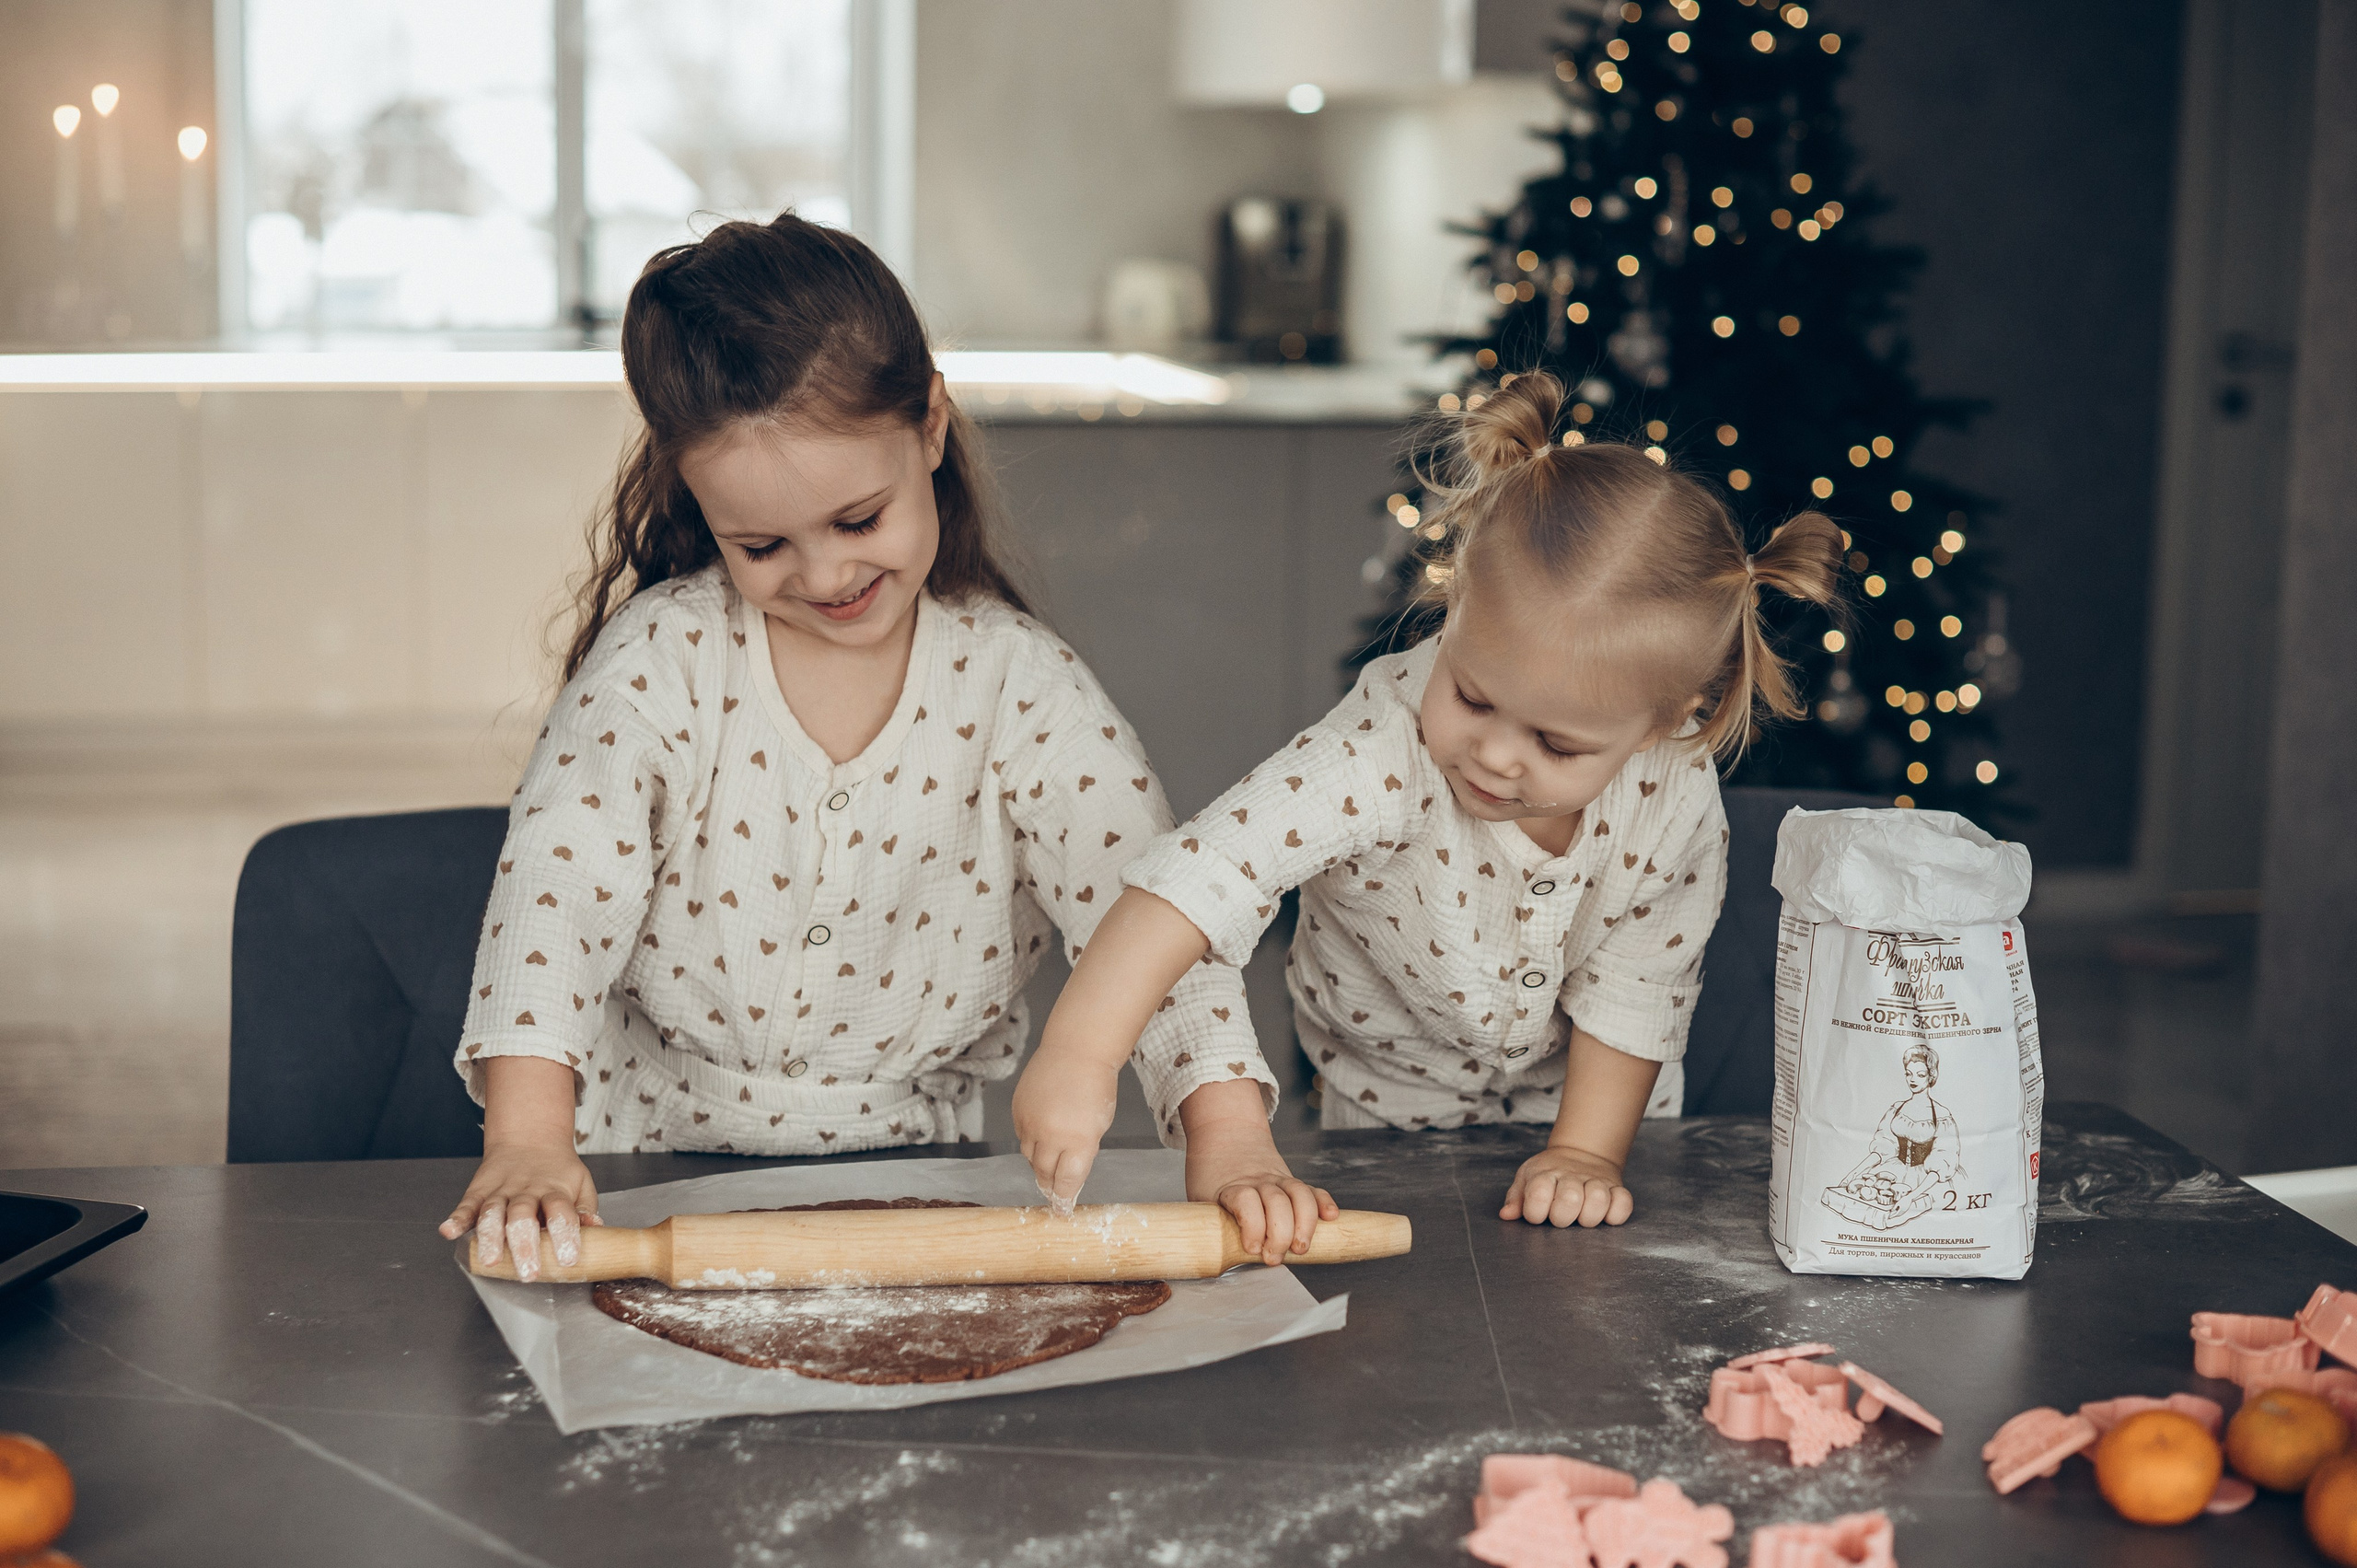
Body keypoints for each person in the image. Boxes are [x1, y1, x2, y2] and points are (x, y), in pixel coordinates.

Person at [439, 214, 1322, 1282]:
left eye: (859, 518)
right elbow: (557, 892)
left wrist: (1228, 1135)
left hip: (919, 1191)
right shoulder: (660, 661)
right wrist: (529, 1142)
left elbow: (1151, 907)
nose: (821, 575)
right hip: (641, 1173)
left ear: (932, 427)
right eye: (760, 544)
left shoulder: (1018, 686)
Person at [1013, 369, 1843, 1233]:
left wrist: (1586, 1153)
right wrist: (1081, 1049)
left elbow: (1642, 986)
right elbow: (1206, 873)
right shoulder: (1383, 746)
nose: (1492, 753)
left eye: (1556, 744)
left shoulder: (1674, 797)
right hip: (1382, 1114)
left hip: (1594, 1116)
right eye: (1473, 695)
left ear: (1664, 723)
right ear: (1454, 609)